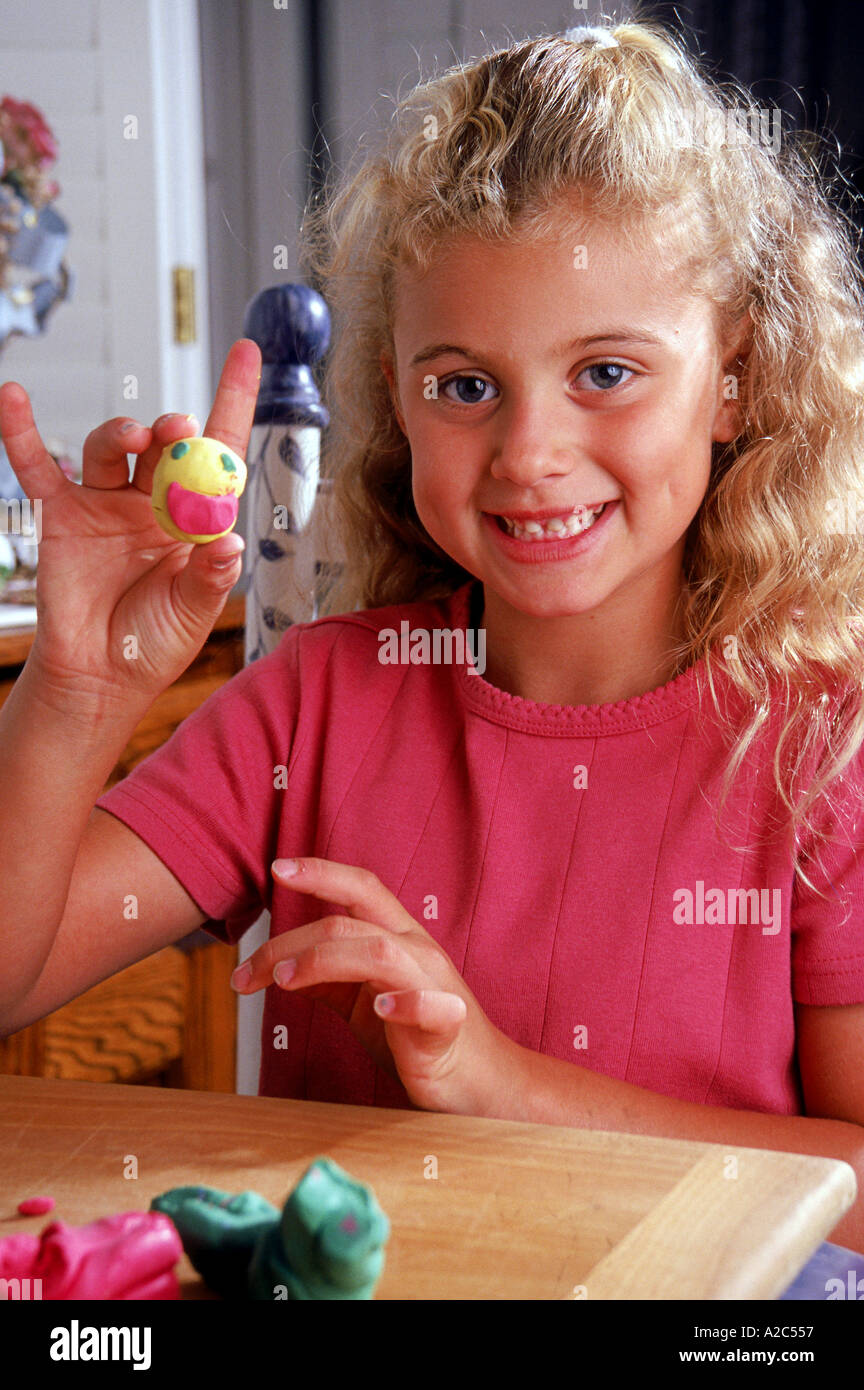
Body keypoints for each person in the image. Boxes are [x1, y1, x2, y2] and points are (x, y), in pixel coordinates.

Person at [2, 21, 864, 1261]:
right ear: (400, 397)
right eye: (466, 385)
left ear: (733, 376)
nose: (529, 454)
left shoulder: (818, 749)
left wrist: (501, 1080)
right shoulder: (316, 704)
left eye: (607, 371)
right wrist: (75, 689)